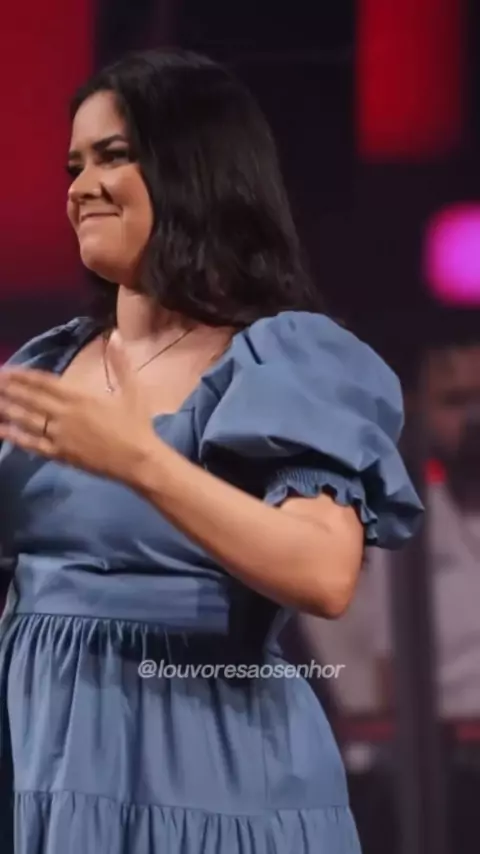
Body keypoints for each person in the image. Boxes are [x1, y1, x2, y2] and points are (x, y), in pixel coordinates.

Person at [0, 48, 422, 854]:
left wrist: (138, 460)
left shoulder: (281, 361)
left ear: (194, 169)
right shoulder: (45, 367)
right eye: (73, 165)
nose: (80, 187)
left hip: (210, 773)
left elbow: (323, 573)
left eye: (113, 156)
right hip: (41, 763)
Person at [368, 329, 480, 854]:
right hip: (450, 772)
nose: (475, 417)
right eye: (456, 401)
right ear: (422, 410)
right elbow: (392, 673)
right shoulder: (405, 519)